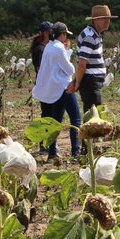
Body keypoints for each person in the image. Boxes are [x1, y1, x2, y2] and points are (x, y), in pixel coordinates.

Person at [32, 22, 82, 161]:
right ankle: (75, 152)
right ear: (62, 34)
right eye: (65, 34)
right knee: (76, 119)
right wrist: (68, 51)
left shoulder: (49, 46)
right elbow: (70, 70)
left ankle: (52, 151)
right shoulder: (59, 49)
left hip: (54, 90)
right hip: (64, 87)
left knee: (55, 121)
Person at [73, 4, 116, 113]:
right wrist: (77, 82)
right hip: (90, 81)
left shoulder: (94, 35)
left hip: (92, 81)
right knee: (93, 115)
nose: (107, 21)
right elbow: (82, 63)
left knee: (94, 113)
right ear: (95, 20)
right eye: (104, 19)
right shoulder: (90, 37)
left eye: (109, 19)